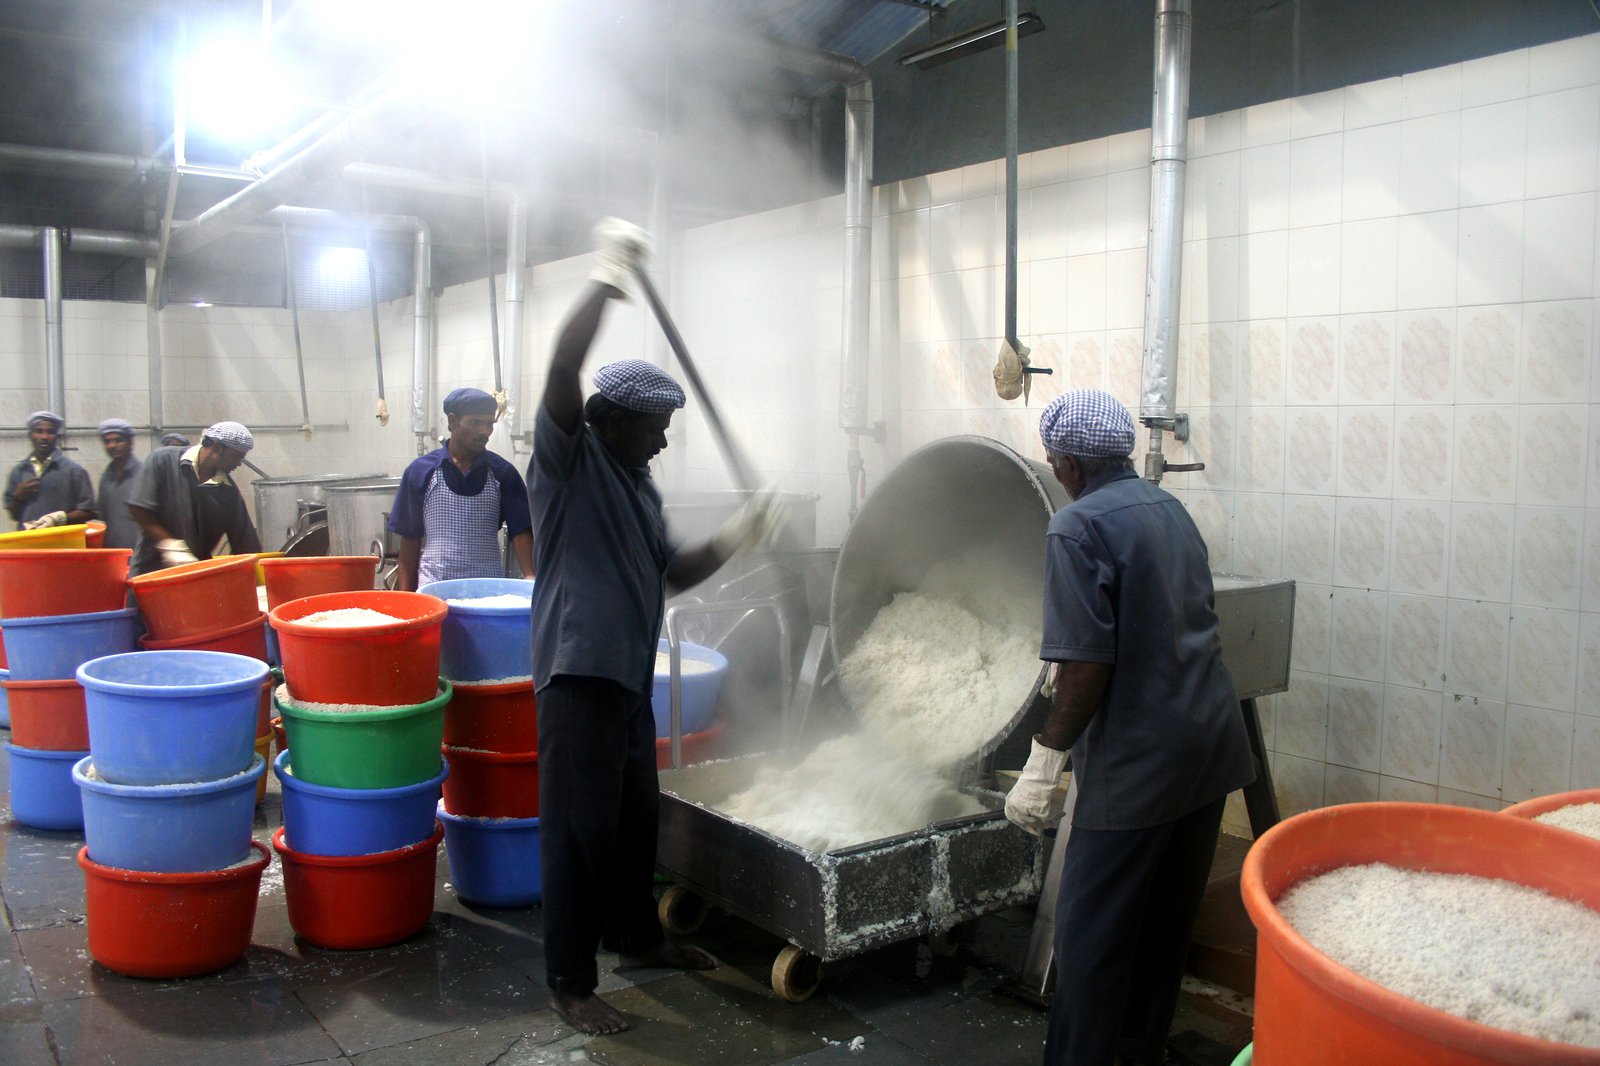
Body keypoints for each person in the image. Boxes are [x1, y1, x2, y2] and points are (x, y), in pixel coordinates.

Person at [528, 218, 781, 1036]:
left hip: (628, 678)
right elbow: (564, 365)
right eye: (654, 424)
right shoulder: (569, 461)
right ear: (609, 419)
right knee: (576, 833)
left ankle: (634, 936)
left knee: (636, 821)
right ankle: (569, 980)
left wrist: (741, 535)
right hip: (577, 676)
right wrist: (607, 276)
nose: (664, 438)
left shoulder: (637, 486)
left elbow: (672, 572)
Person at [1005, 389, 1255, 1066]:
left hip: (1139, 771)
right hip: (1209, 754)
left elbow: (1087, 667)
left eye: (1056, 460)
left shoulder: (1076, 526)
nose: (1056, 470)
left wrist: (1043, 763)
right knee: (1162, 932)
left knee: (1093, 943)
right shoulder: (1170, 509)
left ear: (1072, 465)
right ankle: (1139, 1054)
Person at [386, 387, 534, 590]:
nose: (485, 431)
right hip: (435, 587)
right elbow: (410, 538)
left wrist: (529, 579)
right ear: (453, 421)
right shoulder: (421, 471)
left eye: (489, 424)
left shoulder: (502, 473)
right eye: (475, 422)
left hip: (487, 590)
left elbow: (521, 532)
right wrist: (405, 597)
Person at [126, 420, 262, 577]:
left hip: (193, 576)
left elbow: (244, 542)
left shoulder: (227, 491)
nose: (239, 464)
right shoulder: (163, 460)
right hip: (150, 572)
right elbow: (139, 508)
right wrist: (170, 545)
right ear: (217, 447)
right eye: (237, 456)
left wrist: (257, 577)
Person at [4, 411, 95, 531]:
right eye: (39, 431)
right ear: (31, 436)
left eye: (50, 432)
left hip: (63, 544)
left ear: (57, 437)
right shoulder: (19, 471)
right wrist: (18, 496)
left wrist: (59, 519)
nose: (44, 437)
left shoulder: (74, 471)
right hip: (28, 544)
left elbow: (88, 512)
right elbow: (14, 515)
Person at [95, 418, 143, 549]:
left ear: (130, 442)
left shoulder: (144, 475)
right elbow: (103, 518)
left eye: (118, 440)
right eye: (107, 441)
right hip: (113, 554)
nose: (112, 445)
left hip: (140, 554)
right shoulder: (105, 479)